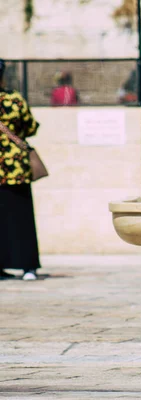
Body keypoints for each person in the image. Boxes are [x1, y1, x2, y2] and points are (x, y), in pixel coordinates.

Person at [0, 59, 42, 281]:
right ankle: (27, 267)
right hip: (15, 168)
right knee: (21, 220)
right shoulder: (14, 100)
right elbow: (31, 127)